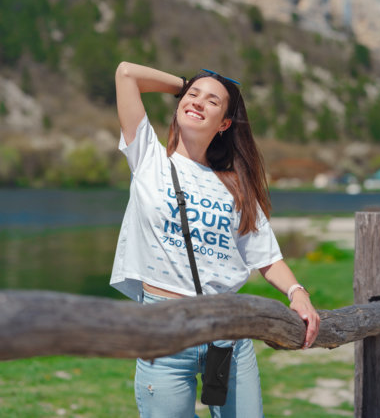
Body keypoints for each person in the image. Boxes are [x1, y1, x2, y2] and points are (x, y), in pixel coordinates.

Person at [111, 62, 320, 418]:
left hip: (228, 332)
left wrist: (298, 292)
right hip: (164, 331)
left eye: (212, 101)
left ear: (224, 124)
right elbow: (126, 73)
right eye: (192, 96)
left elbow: (266, 257)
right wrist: (185, 83)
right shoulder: (148, 157)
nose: (198, 102)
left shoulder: (235, 185)